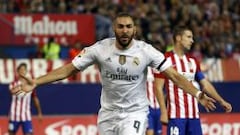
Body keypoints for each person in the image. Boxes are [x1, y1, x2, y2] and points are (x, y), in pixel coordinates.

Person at [11, 13, 216, 135]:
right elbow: (68, 69)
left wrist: (197, 94)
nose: (125, 30)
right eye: (121, 27)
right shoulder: (100, 49)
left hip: (135, 113)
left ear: (134, 29)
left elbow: (175, 76)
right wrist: (36, 81)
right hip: (108, 114)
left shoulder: (146, 51)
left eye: (128, 27)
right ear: (114, 29)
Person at [155, 26, 232, 135]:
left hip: (194, 117)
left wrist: (221, 101)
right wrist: (163, 111)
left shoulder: (193, 61)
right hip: (176, 116)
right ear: (178, 38)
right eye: (189, 37)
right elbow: (158, 87)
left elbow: (205, 84)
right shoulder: (165, 59)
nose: (192, 40)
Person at [8, 63, 43, 135]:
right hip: (14, 115)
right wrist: (22, 85)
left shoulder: (30, 85)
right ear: (17, 71)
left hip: (26, 115)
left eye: (24, 70)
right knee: (11, 133)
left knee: (29, 134)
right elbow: (12, 91)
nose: (22, 71)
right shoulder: (13, 84)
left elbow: (35, 98)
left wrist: (39, 113)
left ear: (26, 71)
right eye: (21, 70)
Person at [146, 67, 168, 135]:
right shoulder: (144, 68)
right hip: (147, 107)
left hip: (159, 108)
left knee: (159, 132)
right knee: (150, 132)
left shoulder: (159, 68)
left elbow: (165, 89)